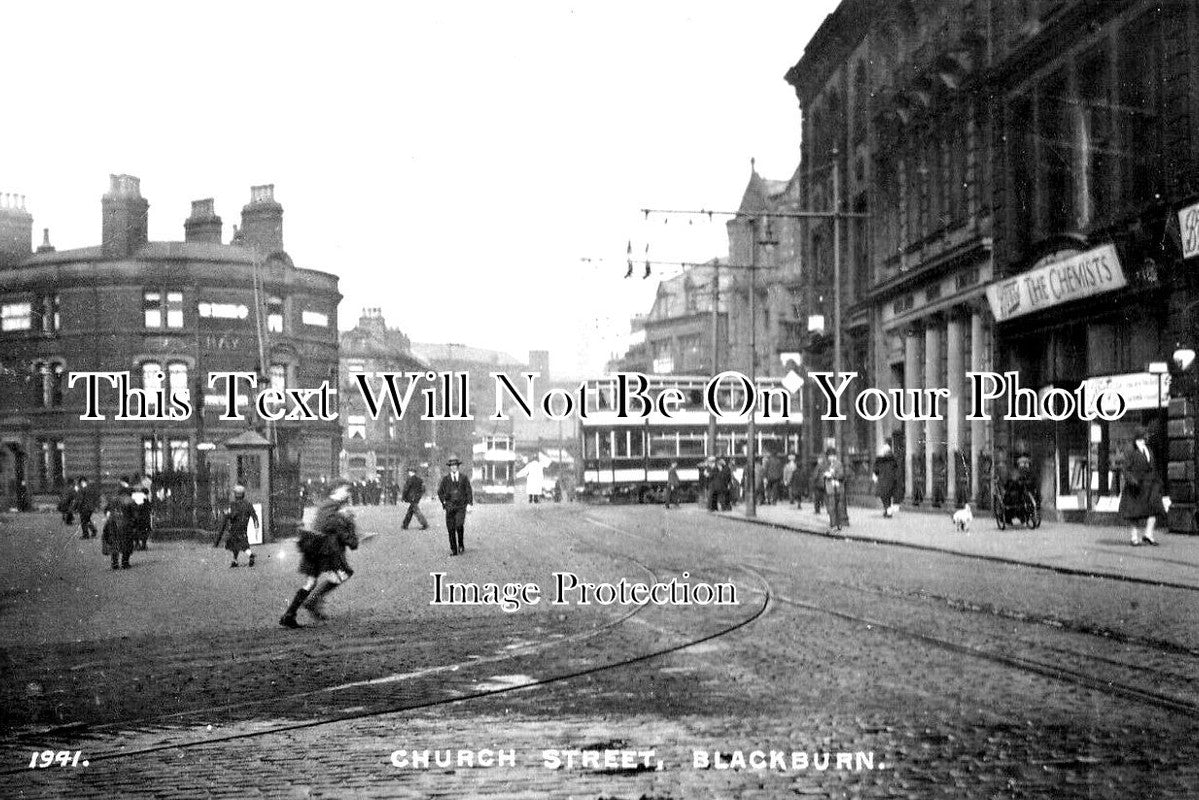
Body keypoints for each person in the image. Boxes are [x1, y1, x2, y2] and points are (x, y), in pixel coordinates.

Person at [280, 480, 358, 628]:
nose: (348, 494)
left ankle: (290, 614)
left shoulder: (329, 506)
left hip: (315, 548)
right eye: (346, 490)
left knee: (311, 582)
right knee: (342, 574)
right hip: (325, 551)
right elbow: (335, 529)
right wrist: (348, 523)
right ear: (336, 490)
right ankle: (311, 602)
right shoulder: (334, 508)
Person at [1119, 427, 1163, 546]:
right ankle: (1134, 538)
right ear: (1137, 438)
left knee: (1155, 509)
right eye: (1142, 437)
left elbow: (1152, 467)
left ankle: (1148, 534)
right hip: (1136, 486)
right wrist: (1132, 481)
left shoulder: (1148, 450)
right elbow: (1125, 469)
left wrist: (1158, 482)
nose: (1144, 439)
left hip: (1150, 485)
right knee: (1134, 514)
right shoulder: (1131, 450)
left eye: (1145, 437)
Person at [437, 456, 474, 556]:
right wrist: (444, 502)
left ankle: (461, 544)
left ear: (458, 466)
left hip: (461, 506)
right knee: (451, 528)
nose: (453, 467)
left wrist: (470, 504)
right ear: (450, 467)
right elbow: (440, 492)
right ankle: (454, 549)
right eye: (452, 466)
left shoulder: (464, 478)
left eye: (455, 465)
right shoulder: (445, 479)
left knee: (459, 525)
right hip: (450, 507)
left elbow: (468, 491)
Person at [215, 485, 258, 567]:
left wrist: (226, 513)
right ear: (243, 494)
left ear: (235, 495)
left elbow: (230, 515)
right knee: (239, 544)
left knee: (236, 543)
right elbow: (254, 516)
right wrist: (256, 527)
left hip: (234, 527)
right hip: (243, 527)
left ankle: (250, 555)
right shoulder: (248, 504)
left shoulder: (233, 504)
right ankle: (235, 561)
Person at [102, 476, 138, 570]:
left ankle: (114, 564)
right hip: (125, 524)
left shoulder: (113, 499)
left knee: (114, 543)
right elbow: (135, 514)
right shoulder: (130, 500)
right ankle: (125, 563)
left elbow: (106, 510)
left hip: (113, 523)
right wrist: (134, 524)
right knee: (127, 543)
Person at [823, 447, 848, 532]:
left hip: (837, 489)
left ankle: (837, 525)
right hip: (829, 489)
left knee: (836, 508)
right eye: (829, 456)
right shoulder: (827, 465)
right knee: (831, 508)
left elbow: (841, 475)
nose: (831, 458)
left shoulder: (838, 464)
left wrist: (832, 475)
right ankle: (833, 524)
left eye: (832, 456)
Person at [873, 444, 899, 518]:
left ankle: (888, 510)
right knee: (888, 496)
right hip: (892, 481)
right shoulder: (893, 460)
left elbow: (876, 470)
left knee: (883, 496)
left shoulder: (879, 460)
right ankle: (887, 510)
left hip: (882, 480)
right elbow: (896, 470)